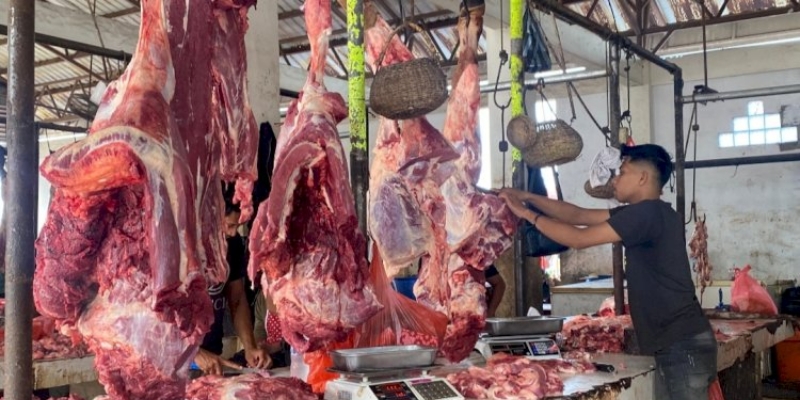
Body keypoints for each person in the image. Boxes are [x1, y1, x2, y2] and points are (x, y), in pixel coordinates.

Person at [499, 144, 716, 400]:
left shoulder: (646, 214)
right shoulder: (653, 212)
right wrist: (527, 196)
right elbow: (577, 215)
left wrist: (526, 214)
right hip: (680, 342)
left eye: (622, 172)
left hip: (681, 345)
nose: (614, 180)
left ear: (642, 178)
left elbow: (578, 238)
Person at [194, 203, 270, 375]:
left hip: (212, 356)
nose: (234, 233)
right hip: (173, 361)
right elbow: (158, 312)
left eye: (238, 226)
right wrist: (193, 353)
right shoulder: (185, 245)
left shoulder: (232, 244)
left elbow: (237, 299)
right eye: (230, 225)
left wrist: (250, 347)